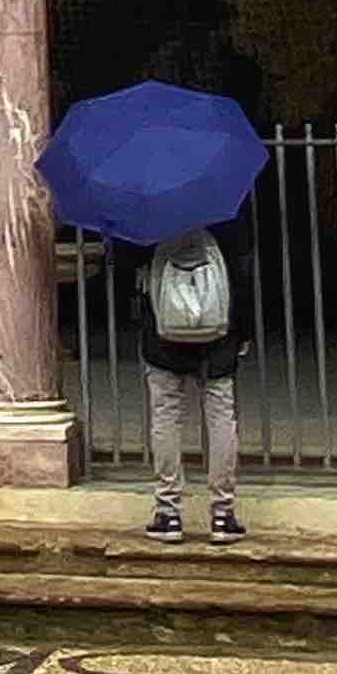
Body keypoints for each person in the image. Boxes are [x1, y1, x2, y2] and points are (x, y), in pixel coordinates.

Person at [130, 221, 246, 542]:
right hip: (218, 336)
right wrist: (242, 331)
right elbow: (241, 272)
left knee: (166, 418)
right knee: (222, 418)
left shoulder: (148, 215)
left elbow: (130, 270)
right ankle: (223, 514)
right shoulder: (225, 213)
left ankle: (168, 512)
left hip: (163, 336)